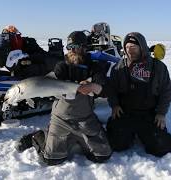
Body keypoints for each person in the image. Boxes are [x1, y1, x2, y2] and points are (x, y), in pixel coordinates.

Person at [15, 31, 112, 165]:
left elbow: (104, 87)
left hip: (85, 118)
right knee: (51, 159)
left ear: (84, 47)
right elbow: (52, 83)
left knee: (102, 155)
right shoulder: (62, 65)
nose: (71, 50)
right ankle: (37, 136)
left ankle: (78, 137)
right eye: (69, 47)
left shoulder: (94, 67)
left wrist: (93, 86)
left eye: (75, 46)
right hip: (61, 118)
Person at [105, 32, 171, 157]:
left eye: (133, 47)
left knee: (162, 147)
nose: (129, 50)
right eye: (127, 47)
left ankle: (144, 133)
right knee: (116, 144)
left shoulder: (158, 67)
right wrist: (115, 105)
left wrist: (161, 113)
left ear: (142, 47)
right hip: (125, 112)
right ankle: (127, 133)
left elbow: (166, 91)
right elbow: (111, 89)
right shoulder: (119, 66)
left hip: (149, 113)